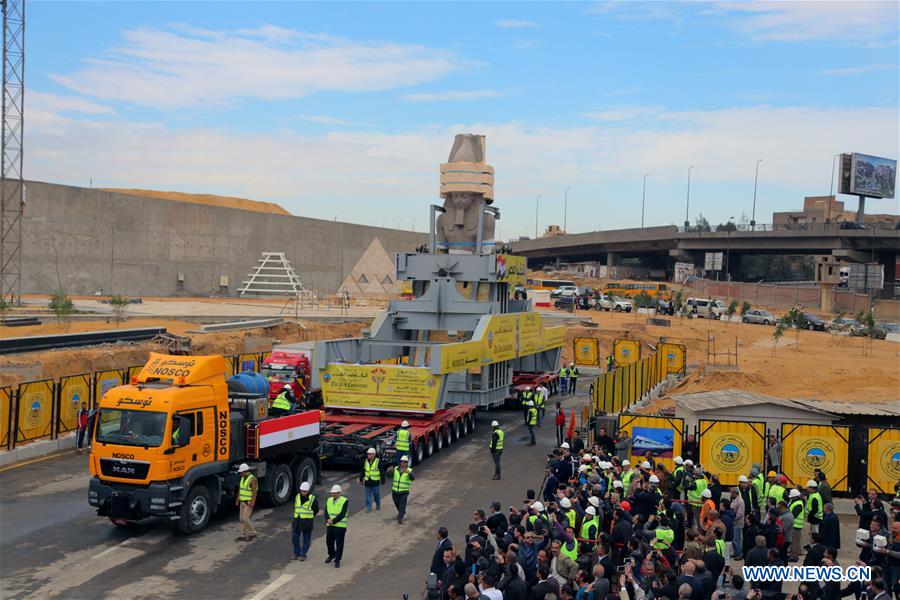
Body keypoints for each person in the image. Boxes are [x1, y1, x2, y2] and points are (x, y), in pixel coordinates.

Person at [292, 480, 319, 560]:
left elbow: (316, 510)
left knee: (306, 539)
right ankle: (297, 553)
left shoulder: (312, 499)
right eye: (302, 490)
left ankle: (303, 554)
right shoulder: (297, 496)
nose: (303, 492)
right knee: (294, 538)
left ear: (308, 491)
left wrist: (309, 516)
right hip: (297, 521)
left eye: (305, 491)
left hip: (307, 521)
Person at [325, 484, 348, 568]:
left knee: (339, 544)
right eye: (332, 493)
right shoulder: (329, 500)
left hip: (340, 526)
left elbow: (342, 514)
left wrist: (333, 521)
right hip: (330, 525)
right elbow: (326, 511)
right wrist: (327, 519)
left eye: (334, 493)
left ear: (339, 493)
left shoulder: (344, 501)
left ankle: (337, 560)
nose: (333, 494)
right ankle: (331, 555)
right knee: (329, 542)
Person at [386, 456, 414, 524]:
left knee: (402, 504)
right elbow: (389, 476)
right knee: (397, 503)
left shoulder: (409, 470)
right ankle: (402, 512)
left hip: (404, 491)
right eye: (402, 461)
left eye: (405, 462)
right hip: (395, 491)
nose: (403, 463)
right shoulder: (395, 469)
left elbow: (412, 478)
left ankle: (400, 517)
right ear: (400, 462)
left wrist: (408, 473)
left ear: (407, 463)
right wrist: (388, 471)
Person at [235, 463, 257, 541]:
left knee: (245, 518)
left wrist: (252, 503)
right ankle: (242, 535)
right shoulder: (243, 478)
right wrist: (237, 500)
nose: (240, 474)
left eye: (241, 472)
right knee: (241, 519)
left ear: (245, 471)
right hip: (242, 501)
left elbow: (254, 492)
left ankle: (253, 532)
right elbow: (240, 490)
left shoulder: (252, 479)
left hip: (248, 502)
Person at [358, 447, 382, 512]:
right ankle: (368, 508)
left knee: (376, 495)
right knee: (367, 497)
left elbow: (381, 471)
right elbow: (363, 471)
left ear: (374, 455)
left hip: (375, 483)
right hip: (367, 482)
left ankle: (378, 503)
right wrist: (361, 479)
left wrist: (383, 480)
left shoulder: (378, 461)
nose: (368, 455)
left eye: (370, 454)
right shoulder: (366, 461)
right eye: (368, 454)